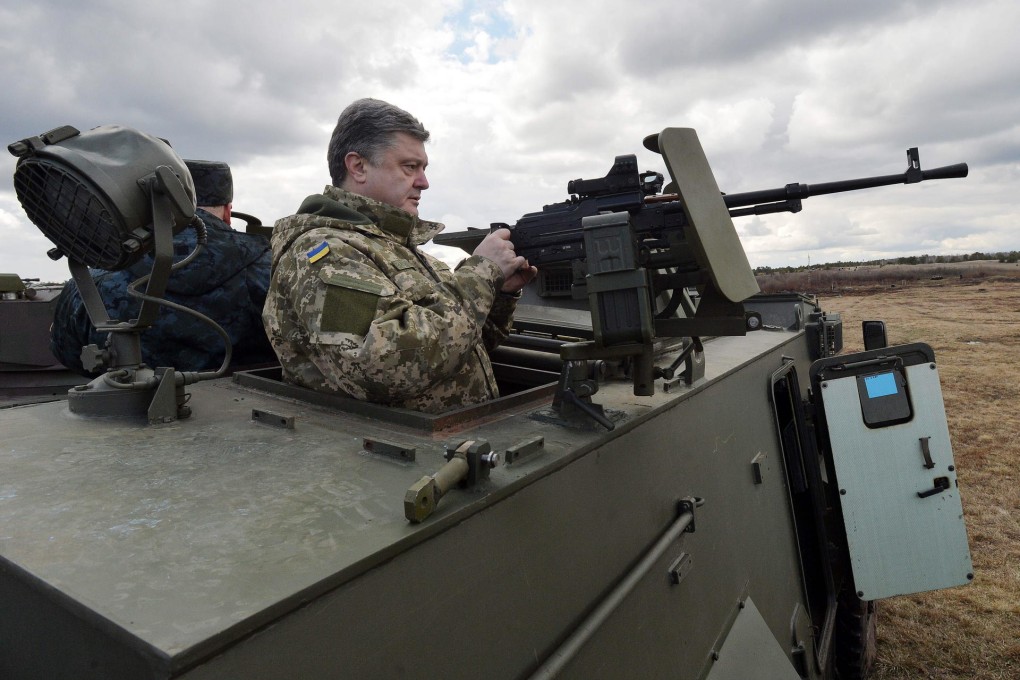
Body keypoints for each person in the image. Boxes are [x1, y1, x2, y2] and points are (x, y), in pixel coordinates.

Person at [262, 98, 538, 414]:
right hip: (394, 452)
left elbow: (463, 347)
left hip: (446, 444)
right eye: (410, 167)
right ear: (358, 166)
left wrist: (498, 293)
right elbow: (385, 368)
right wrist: (481, 274)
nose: (424, 182)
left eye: (423, 168)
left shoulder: (405, 251)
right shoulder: (325, 254)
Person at [50, 160, 277, 375]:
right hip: (252, 410)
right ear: (228, 212)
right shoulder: (270, 270)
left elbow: (70, 354)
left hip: (128, 411)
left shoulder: (94, 281)